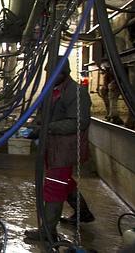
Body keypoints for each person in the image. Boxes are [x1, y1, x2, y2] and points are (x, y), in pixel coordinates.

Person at [24, 57, 94, 242]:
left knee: (54, 187)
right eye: (49, 73)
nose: (50, 77)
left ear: (65, 73)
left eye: (55, 74)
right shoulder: (51, 91)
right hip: (51, 147)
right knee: (64, 182)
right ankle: (83, 213)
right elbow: (41, 115)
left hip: (64, 149)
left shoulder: (76, 92)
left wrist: (47, 127)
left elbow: (79, 122)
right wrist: (33, 127)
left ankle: (48, 231)